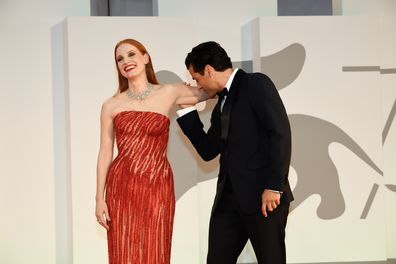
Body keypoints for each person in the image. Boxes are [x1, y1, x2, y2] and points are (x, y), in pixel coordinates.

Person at [176, 41, 293, 264]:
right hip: (228, 202)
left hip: (264, 199)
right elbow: (208, 150)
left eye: (197, 78)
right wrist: (187, 110)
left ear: (208, 70)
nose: (198, 85)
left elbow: (280, 133)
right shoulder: (221, 101)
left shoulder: (256, 83)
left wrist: (274, 186)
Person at [95, 38, 208, 264]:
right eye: (119, 59)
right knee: (124, 251)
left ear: (145, 58)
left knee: (156, 249)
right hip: (122, 187)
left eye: (131, 54)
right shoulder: (111, 105)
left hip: (158, 185)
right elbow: (105, 152)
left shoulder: (169, 92)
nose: (126, 61)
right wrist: (100, 198)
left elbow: (210, 90)